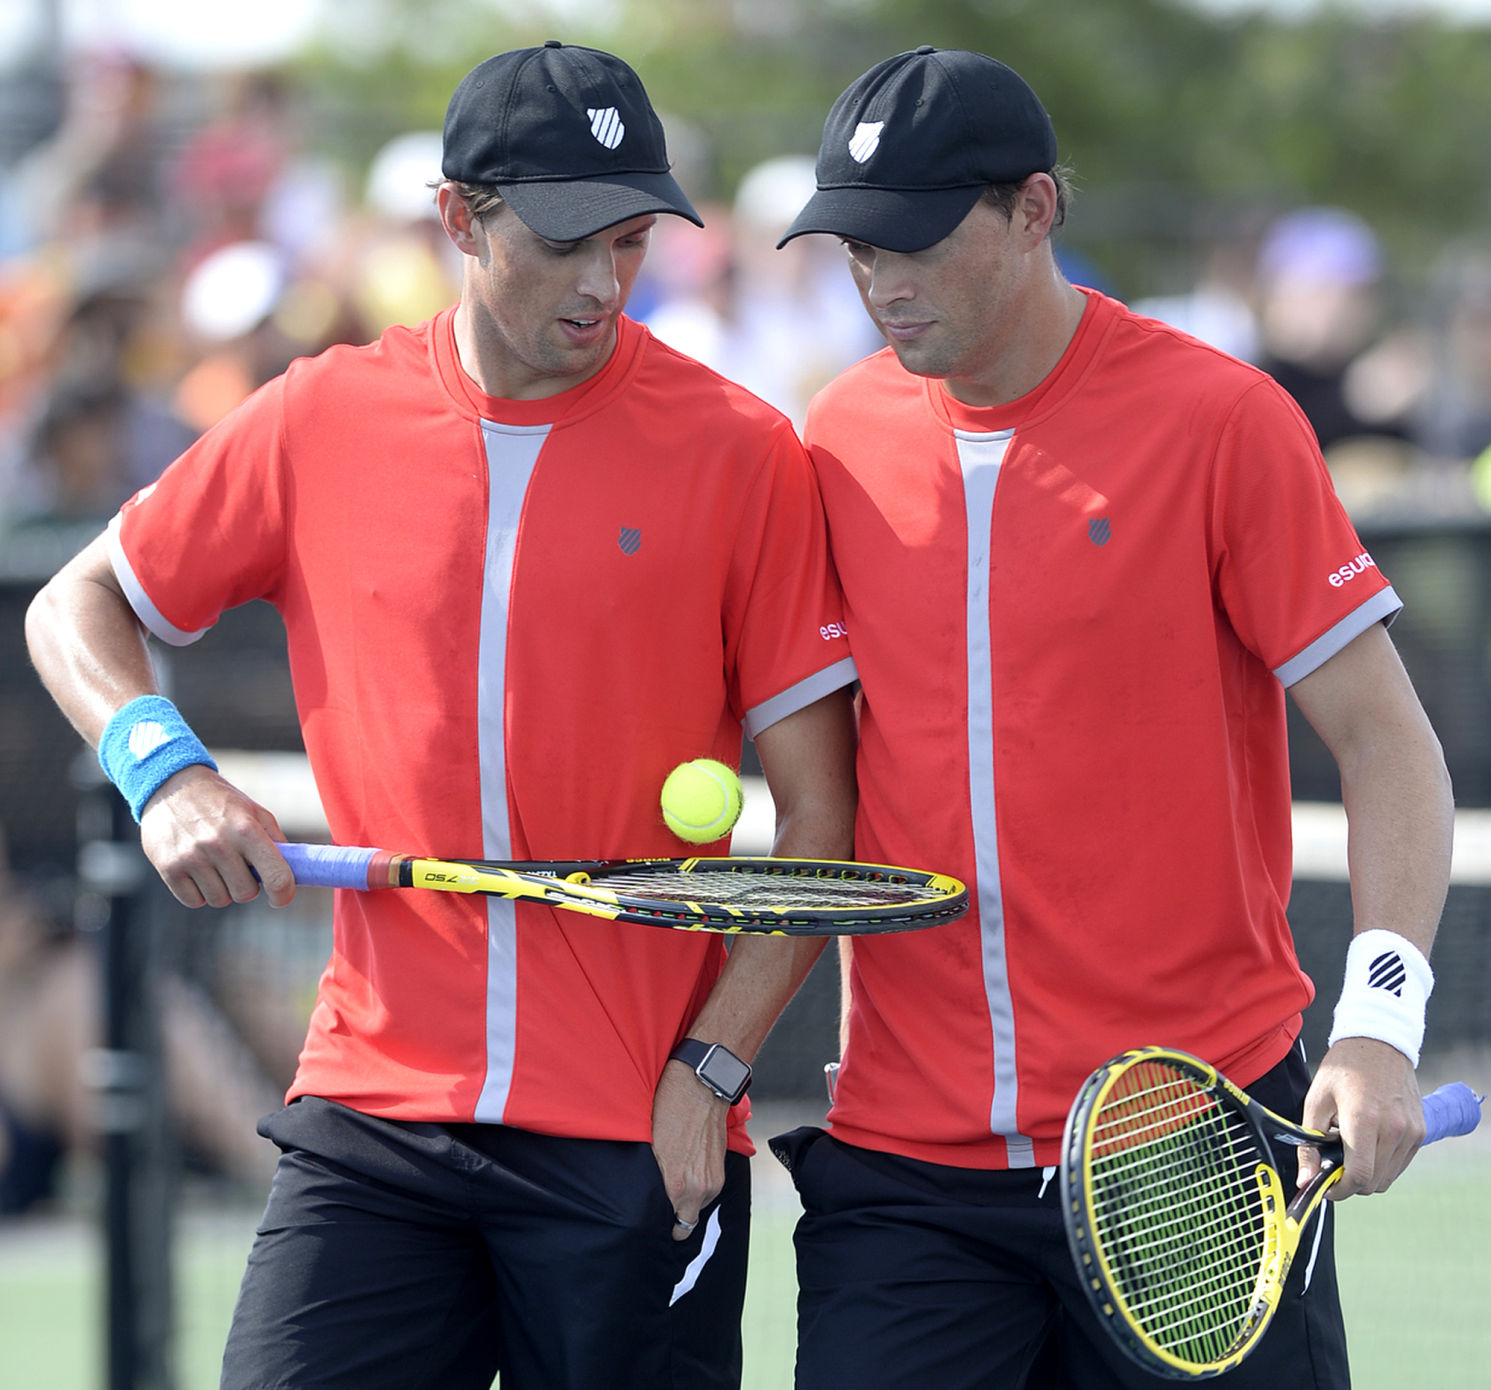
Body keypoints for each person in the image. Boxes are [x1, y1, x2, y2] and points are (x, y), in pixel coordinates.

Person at [26, 41, 856, 1390]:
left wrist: (710, 1068)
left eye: (634, 239)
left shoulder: (743, 451)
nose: (606, 280)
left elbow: (825, 817)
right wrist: (159, 765)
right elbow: (75, 605)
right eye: (570, 238)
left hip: (634, 1133)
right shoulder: (315, 417)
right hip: (375, 1111)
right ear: (460, 218)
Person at [769, 46, 1453, 1390]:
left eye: (912, 240)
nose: (881, 280)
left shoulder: (1223, 422)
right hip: (906, 1172)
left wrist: (1381, 1027)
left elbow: (1389, 744)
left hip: (1195, 1147)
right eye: (854, 247)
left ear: (1036, 210)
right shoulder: (831, 437)